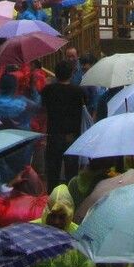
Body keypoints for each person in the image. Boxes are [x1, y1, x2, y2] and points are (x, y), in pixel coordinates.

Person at [41, 60, 87, 189]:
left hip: (53, 134)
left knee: (53, 171)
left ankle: (52, 197)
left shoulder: (48, 90)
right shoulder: (78, 91)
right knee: (71, 172)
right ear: (71, 74)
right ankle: (71, 197)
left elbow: (43, 110)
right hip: (72, 135)